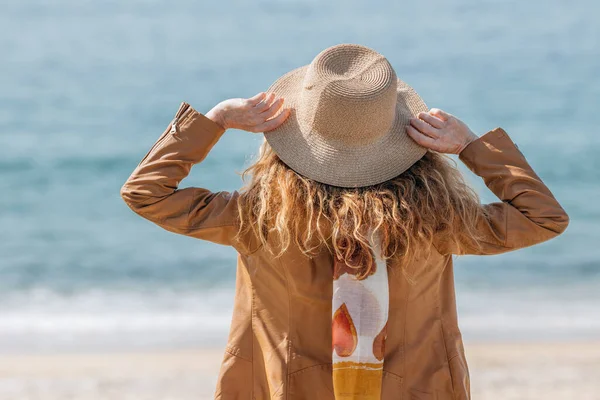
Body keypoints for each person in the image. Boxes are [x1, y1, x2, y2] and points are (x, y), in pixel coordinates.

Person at [121, 44, 569, 400]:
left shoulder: (258, 219)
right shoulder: (435, 220)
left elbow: (146, 193)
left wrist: (215, 120)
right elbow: (543, 218)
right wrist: (472, 146)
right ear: (408, 142)